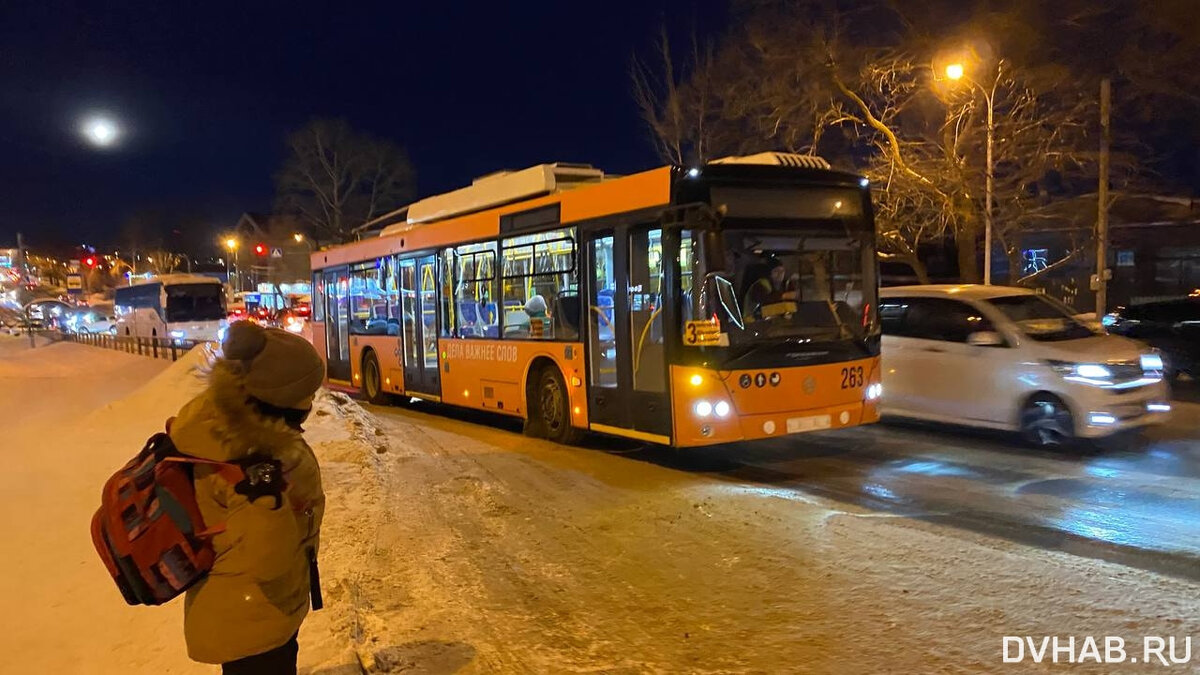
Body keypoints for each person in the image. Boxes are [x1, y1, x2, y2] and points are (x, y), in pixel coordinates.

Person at [167, 320, 326, 674]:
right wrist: (275, 502)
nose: (311, 404)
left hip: (242, 608)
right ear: (279, 400)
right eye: (306, 396)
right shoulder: (254, 461)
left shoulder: (222, 425)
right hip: (254, 617)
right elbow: (270, 560)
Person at [742, 256, 794, 320]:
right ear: (769, 273)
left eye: (782, 271)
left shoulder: (786, 284)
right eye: (776, 271)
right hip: (752, 323)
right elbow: (764, 300)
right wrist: (783, 296)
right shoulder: (760, 285)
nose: (780, 274)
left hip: (773, 322)